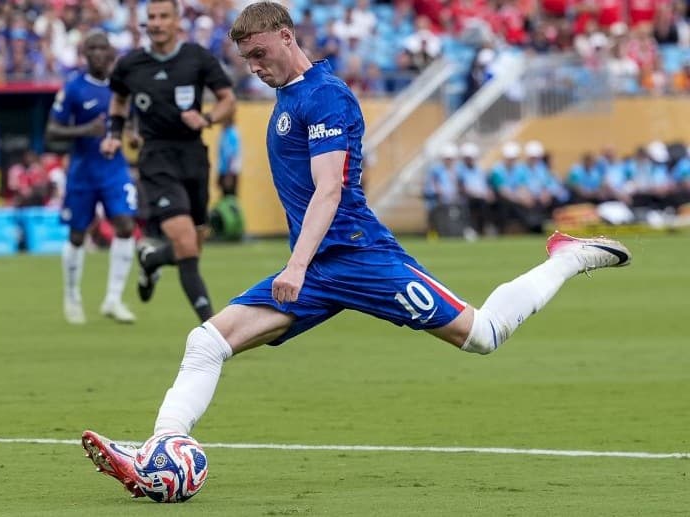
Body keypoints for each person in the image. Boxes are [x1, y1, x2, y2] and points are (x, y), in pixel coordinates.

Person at [80, 2, 632, 499]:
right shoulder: (288, 96)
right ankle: (160, 449)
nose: (254, 66)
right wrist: (304, 265)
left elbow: (330, 190)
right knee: (207, 341)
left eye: (260, 53)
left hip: (360, 258)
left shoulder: (326, 96)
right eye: (246, 59)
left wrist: (296, 264)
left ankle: (567, 257)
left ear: (286, 35)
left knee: (483, 335)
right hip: (319, 268)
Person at [103, 0, 236, 323]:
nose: (157, 22)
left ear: (178, 21)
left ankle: (151, 260)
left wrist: (206, 119)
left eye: (164, 16)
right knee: (186, 243)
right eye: (151, 17)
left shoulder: (197, 58)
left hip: (193, 156)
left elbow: (228, 100)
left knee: (193, 246)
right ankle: (212, 327)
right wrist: (115, 134)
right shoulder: (130, 64)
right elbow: (118, 100)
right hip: (156, 157)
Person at [45, 31, 138, 325]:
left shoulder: (122, 87)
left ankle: (113, 298)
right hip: (82, 171)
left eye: (102, 48)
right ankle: (72, 295)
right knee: (76, 235)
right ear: (85, 54)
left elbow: (132, 119)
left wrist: (133, 135)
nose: (98, 53)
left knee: (126, 225)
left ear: (111, 53)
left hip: (114, 168)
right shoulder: (73, 88)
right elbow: (51, 132)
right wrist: (83, 131)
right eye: (92, 49)